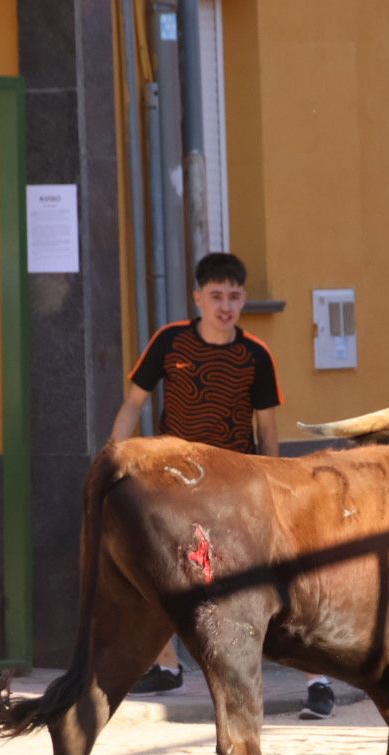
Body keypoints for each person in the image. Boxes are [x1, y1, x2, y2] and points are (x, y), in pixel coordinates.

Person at [110, 251, 336, 719]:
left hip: (240, 484)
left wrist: (274, 484)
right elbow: (134, 403)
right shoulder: (169, 342)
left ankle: (319, 680)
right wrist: (114, 460)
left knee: (276, 578)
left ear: (244, 299)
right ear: (198, 298)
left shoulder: (255, 354)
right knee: (157, 570)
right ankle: (168, 666)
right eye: (216, 296)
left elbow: (267, 428)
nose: (225, 306)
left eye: (234, 297)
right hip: (176, 482)